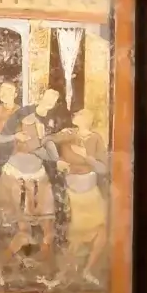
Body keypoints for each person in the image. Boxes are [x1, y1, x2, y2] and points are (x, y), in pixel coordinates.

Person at [0, 87, 62, 270]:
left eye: (52, 102)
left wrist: (48, 142)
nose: (48, 104)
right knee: (23, 231)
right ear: (40, 97)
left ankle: (45, 270)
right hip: (17, 176)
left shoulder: (52, 122)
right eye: (46, 99)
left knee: (48, 228)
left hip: (39, 177)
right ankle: (1, 265)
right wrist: (38, 142)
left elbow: (52, 152)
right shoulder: (24, 116)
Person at [54, 106, 109, 279]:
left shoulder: (96, 139)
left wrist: (86, 157)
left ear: (87, 119)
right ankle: (62, 274)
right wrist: (58, 162)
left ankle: (87, 270)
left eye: (79, 114)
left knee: (101, 232)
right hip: (73, 190)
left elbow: (103, 168)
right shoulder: (68, 135)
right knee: (76, 235)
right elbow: (48, 143)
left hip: (90, 190)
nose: (74, 116)